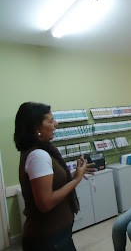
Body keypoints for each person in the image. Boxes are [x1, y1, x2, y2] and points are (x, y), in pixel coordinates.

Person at [14, 102, 96, 251]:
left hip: (56, 236)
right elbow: (45, 202)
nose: (55, 124)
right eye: (50, 121)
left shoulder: (41, 151)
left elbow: (52, 184)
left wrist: (75, 173)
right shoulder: (38, 155)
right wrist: (77, 179)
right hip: (48, 240)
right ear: (36, 128)